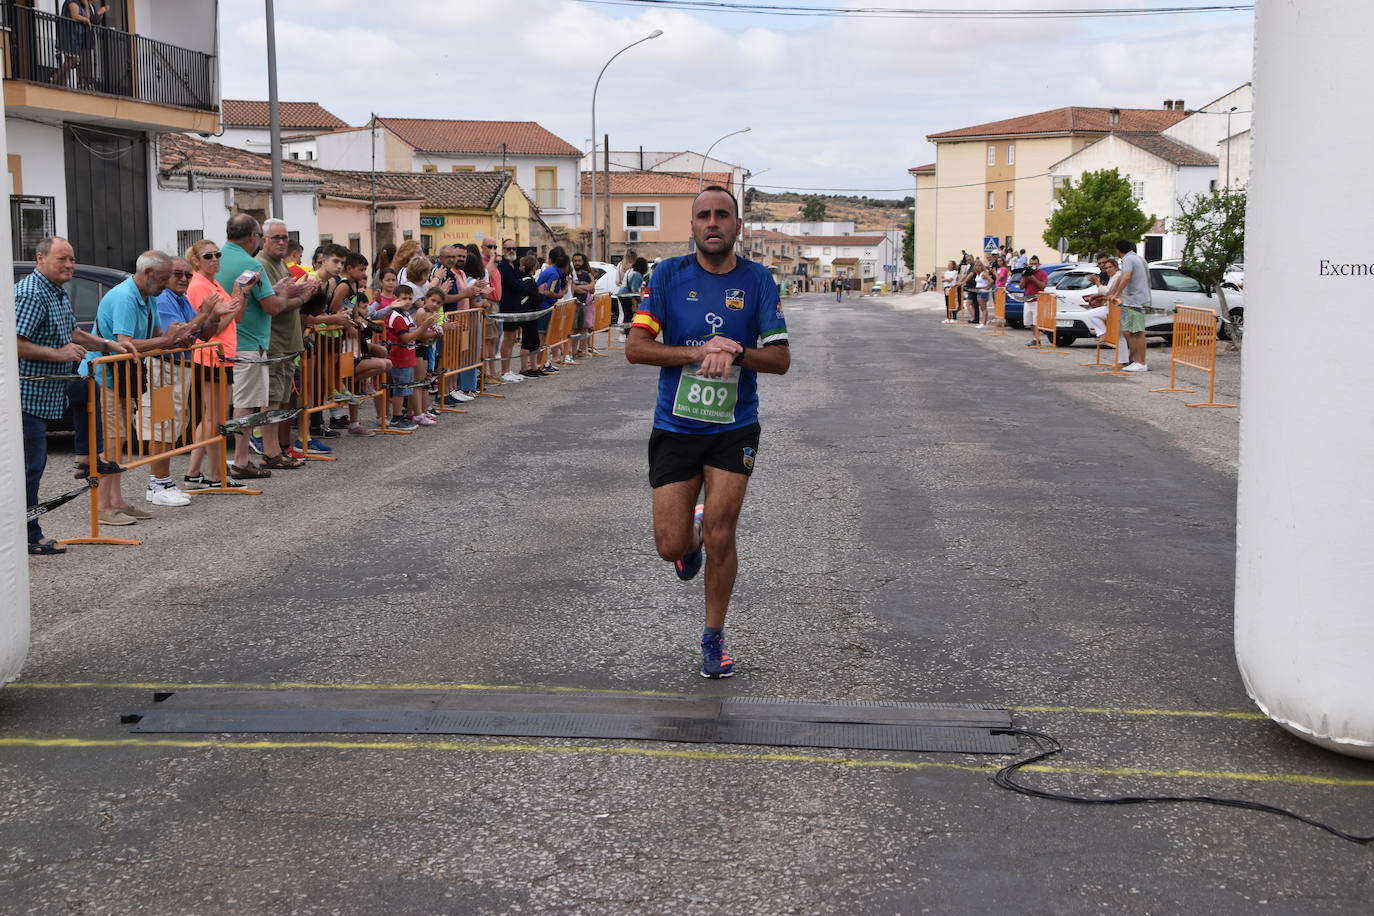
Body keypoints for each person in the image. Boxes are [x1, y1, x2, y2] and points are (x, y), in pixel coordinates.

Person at [624, 185, 790, 679]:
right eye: (703, 216)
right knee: (671, 546)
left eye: (723, 215)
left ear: (738, 226)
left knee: (723, 533)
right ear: (692, 226)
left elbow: (780, 360)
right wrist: (699, 352)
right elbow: (636, 348)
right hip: (675, 424)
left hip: (733, 426)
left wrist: (736, 351)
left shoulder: (759, 280)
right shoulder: (669, 275)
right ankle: (689, 539)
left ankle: (713, 638)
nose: (713, 222)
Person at [16, 236, 135, 551]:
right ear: (40, 259)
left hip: (50, 393)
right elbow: (14, 342)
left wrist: (109, 344)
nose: (69, 265)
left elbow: (74, 333)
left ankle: (87, 459)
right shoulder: (30, 294)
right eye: (61, 259)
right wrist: (59, 354)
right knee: (30, 469)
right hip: (28, 397)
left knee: (87, 388)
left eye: (71, 258)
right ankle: (28, 537)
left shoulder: (55, 292)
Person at [90, 251, 199, 523]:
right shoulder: (126, 298)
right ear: (148, 274)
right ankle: (105, 507)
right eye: (163, 278)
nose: (165, 284)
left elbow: (157, 338)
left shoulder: (146, 296)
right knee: (113, 441)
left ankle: (116, 500)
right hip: (108, 376)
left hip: (124, 377)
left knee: (121, 439)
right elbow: (125, 343)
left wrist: (176, 340)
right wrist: (168, 340)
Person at [216, 214, 299, 479]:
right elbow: (272, 306)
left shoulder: (216, 259)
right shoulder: (251, 264)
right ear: (254, 237)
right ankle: (240, 460)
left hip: (219, 341)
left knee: (220, 408)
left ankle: (225, 464)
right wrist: (286, 292)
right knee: (246, 405)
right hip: (248, 342)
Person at [182, 240, 246, 489]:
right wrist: (231, 307)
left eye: (217, 254)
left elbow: (235, 317)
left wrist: (241, 296)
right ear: (196, 260)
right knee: (216, 418)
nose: (215, 259)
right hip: (212, 356)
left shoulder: (213, 282)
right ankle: (216, 475)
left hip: (221, 354)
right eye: (208, 256)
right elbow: (208, 329)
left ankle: (194, 472)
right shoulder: (199, 285)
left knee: (210, 418)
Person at [383, 285, 431, 430]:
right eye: (404, 298)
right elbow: (405, 337)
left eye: (410, 298)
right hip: (399, 357)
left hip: (408, 355)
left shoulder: (406, 314)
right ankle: (396, 419)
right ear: (396, 299)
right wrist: (424, 328)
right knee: (401, 388)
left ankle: (401, 416)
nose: (408, 301)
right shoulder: (396, 317)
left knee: (406, 387)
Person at [1115, 239, 1152, 372]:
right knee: (1130, 331)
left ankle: (1141, 362)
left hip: (1136, 300)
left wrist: (1116, 294)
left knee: (1137, 332)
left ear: (1118, 250)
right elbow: (1122, 277)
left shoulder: (1128, 260)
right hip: (1134, 300)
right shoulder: (1138, 258)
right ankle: (1135, 360)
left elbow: (1126, 277)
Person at [52, 1, 107, 88]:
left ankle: (63, 84)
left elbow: (88, 17)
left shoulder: (83, 5)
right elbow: (75, 15)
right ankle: (55, 77)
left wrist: (86, 6)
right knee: (72, 60)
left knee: (71, 60)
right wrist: (85, 19)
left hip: (77, 37)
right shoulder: (72, 2)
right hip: (69, 35)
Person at [537, 247, 570, 372]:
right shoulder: (555, 274)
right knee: (543, 335)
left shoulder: (552, 271)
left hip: (544, 305)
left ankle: (543, 361)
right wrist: (559, 295)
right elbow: (549, 292)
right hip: (545, 306)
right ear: (566, 266)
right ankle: (542, 362)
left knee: (544, 335)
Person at [616, 257, 647, 343]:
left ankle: (627, 334)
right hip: (627, 295)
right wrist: (639, 300)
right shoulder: (637, 274)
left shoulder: (630, 271)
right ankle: (628, 335)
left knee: (627, 314)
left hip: (622, 294)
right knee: (628, 315)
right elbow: (634, 289)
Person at [1021, 256, 1048, 347]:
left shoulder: (1042, 273)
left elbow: (1042, 286)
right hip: (1028, 300)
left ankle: (1037, 339)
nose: (1033, 266)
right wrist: (1025, 276)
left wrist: (1032, 277)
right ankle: (1035, 339)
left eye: (1035, 264)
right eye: (1031, 264)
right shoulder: (1027, 273)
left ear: (1038, 264)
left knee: (1036, 322)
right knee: (1030, 322)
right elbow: (1021, 286)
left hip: (1038, 300)